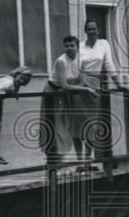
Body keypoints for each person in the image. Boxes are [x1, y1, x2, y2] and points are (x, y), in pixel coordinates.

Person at [42, 36, 98, 167]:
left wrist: (87, 87)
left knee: (71, 126)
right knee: (56, 127)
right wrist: (87, 90)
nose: (69, 48)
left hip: (67, 93)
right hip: (54, 93)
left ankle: (84, 163)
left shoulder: (82, 60)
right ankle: (54, 165)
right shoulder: (61, 61)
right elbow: (64, 85)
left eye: (72, 46)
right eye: (66, 46)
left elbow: (82, 81)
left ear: (77, 47)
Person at [79, 20, 124, 166]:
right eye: (89, 29)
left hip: (95, 85)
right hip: (81, 85)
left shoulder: (104, 44)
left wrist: (119, 84)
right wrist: (83, 83)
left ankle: (88, 157)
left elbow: (109, 64)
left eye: (94, 28)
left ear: (97, 30)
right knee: (80, 123)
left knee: (92, 123)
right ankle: (81, 161)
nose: (92, 31)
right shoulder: (80, 46)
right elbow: (76, 67)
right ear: (85, 31)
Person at [0, 66, 34, 165]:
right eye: (21, 78)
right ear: (16, 75)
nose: (21, 81)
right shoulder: (8, 82)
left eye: (24, 81)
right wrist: (12, 92)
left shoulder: (12, 82)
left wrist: (14, 91)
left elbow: (13, 89)